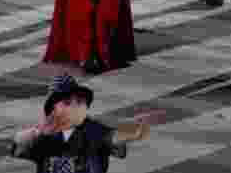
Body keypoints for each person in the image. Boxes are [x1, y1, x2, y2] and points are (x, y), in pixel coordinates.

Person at [11, 74, 150, 173]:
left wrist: (131, 132)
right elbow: (19, 148)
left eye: (78, 102)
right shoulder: (46, 136)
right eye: (66, 103)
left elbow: (111, 138)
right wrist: (39, 132)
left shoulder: (93, 130)